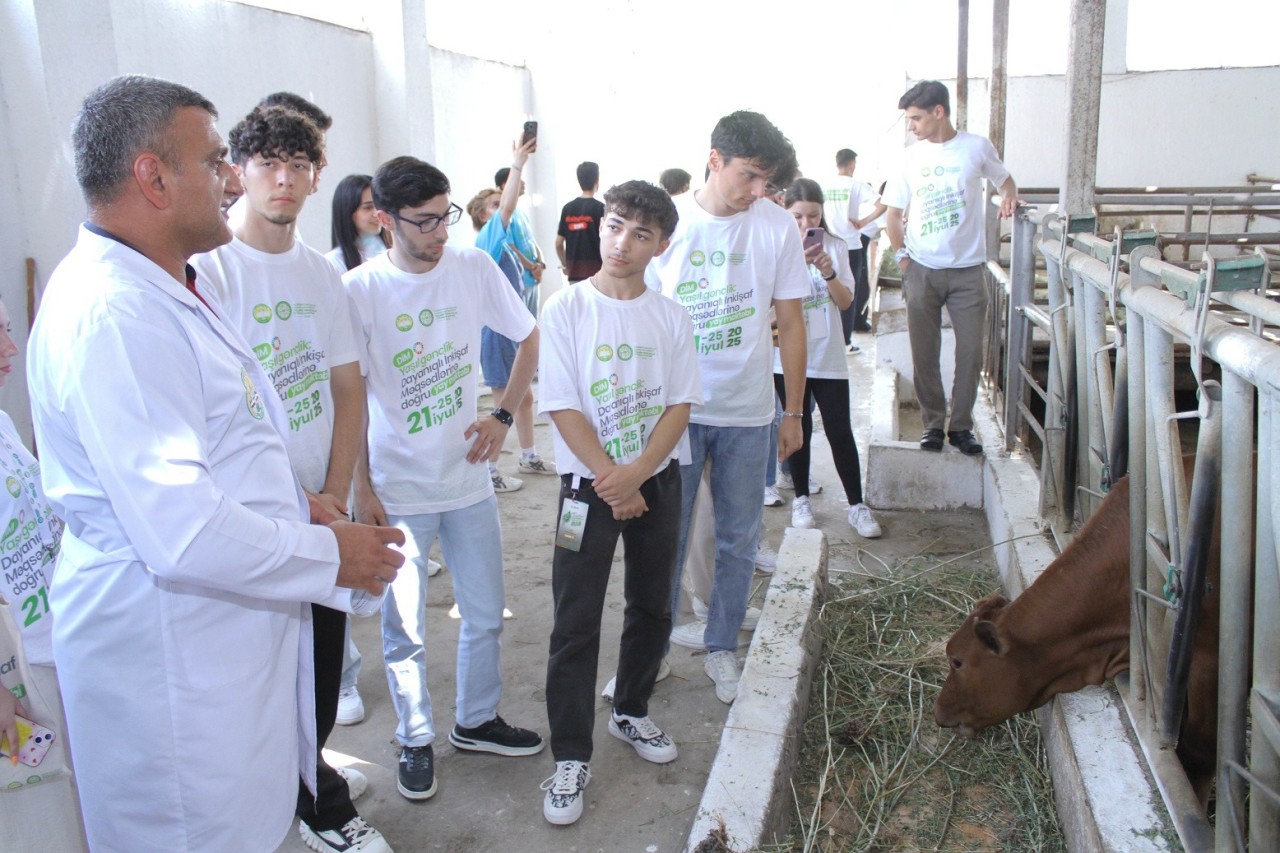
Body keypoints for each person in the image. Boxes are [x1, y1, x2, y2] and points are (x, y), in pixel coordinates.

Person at [26, 74, 404, 851]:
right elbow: (183, 531)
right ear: (153, 178)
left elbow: (221, 439)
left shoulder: (164, 286)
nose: (233, 177)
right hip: (171, 668)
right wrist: (331, 552)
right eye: (214, 160)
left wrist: (297, 503)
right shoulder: (116, 315)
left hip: (218, 648)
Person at [191, 105, 388, 853]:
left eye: (298, 165)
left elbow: (346, 388)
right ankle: (311, 803)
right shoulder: (207, 272)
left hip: (321, 512)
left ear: (314, 176)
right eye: (268, 162)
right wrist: (298, 505)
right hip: (250, 519)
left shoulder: (320, 274)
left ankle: (311, 782)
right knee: (261, 681)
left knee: (323, 669)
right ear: (237, 170)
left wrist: (335, 495)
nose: (283, 178)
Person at [345, 153, 545, 804]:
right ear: (385, 219)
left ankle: (476, 720)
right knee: (404, 629)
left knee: (485, 613)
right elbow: (350, 398)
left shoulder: (472, 267)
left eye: (446, 216)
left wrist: (503, 415)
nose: (440, 232)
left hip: (468, 482)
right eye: (424, 221)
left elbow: (529, 337)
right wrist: (363, 489)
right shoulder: (360, 290)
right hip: (398, 488)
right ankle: (415, 736)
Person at [537, 180, 701, 826]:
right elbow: (561, 403)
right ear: (599, 226)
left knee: (653, 604)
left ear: (661, 245)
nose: (622, 243)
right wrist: (614, 479)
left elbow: (679, 404)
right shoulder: (566, 309)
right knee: (575, 619)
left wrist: (638, 474)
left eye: (640, 234)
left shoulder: (671, 317)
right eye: (614, 226)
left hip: (657, 480)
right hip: (587, 489)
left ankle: (631, 709)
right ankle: (570, 755)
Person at [645, 110, 809, 704]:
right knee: (665, 538)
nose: (758, 190)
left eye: (767, 180)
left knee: (740, 539)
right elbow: (640, 318)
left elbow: (792, 322)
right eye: (749, 175)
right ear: (715, 159)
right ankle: (650, 655)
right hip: (677, 414)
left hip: (747, 412)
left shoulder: (776, 227)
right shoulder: (667, 225)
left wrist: (793, 412)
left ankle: (721, 648)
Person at [883, 80, 1017, 456]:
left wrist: (1009, 197)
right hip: (922, 268)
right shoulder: (909, 158)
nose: (911, 126)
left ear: (938, 112)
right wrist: (905, 262)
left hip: (969, 271)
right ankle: (932, 424)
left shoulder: (976, 147)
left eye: (916, 118)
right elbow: (893, 216)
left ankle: (960, 427)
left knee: (971, 353)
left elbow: (1005, 180)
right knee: (924, 353)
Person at [0, 295, 87, 851]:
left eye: (8, 329)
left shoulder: (3, 422)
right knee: (46, 823)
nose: (10, 348)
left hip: (59, 643)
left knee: (82, 805)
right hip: (20, 670)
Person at [776, 179, 882, 539]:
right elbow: (769, 306)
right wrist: (796, 265)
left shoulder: (835, 246)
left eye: (813, 216)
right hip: (786, 357)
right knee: (797, 426)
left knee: (839, 429)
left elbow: (846, 301)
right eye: (798, 217)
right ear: (785, 213)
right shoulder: (776, 248)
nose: (806, 224)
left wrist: (828, 270)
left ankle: (857, 505)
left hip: (828, 354)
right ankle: (801, 498)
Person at [470, 136, 557, 486]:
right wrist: (518, 163)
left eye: (499, 202)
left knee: (525, 397)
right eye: (493, 205)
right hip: (496, 334)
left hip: (513, 333)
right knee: (502, 403)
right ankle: (490, 471)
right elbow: (506, 208)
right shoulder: (488, 238)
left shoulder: (502, 243)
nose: (501, 207)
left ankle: (528, 456)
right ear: (482, 215)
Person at [823, 149, 880, 344]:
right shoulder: (856, 185)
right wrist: (864, 221)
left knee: (827, 292)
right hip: (851, 246)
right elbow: (883, 203)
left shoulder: (825, 185)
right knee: (849, 293)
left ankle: (831, 338)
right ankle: (845, 341)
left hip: (828, 244)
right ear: (852, 165)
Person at [493, 163, 546, 316]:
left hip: (534, 278)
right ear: (505, 185)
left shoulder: (521, 212)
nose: (523, 183)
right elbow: (510, 247)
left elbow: (532, 241)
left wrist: (541, 265)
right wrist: (532, 268)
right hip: (521, 281)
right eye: (518, 179)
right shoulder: (502, 217)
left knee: (534, 322)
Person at [327, 173, 391, 275]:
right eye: (368, 207)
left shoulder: (389, 253)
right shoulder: (333, 263)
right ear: (347, 212)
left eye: (379, 205)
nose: (377, 213)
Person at [555, 161, 605, 283]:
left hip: (574, 273)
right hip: (597, 274)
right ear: (597, 182)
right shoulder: (601, 208)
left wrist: (565, 264)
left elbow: (558, 244)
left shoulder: (567, 208)